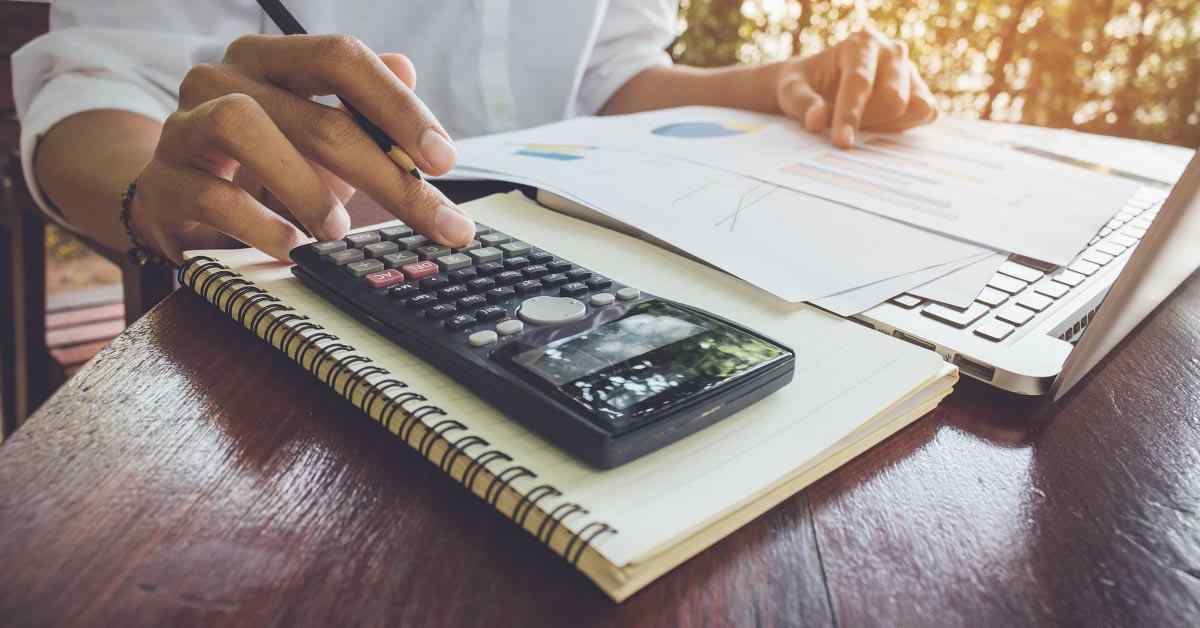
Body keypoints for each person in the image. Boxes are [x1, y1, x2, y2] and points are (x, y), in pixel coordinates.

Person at [14, 1, 940, 264]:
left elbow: (610, 72)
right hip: (303, 301)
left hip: (600, 268)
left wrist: (774, 83)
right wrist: (156, 191)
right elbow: (88, 86)